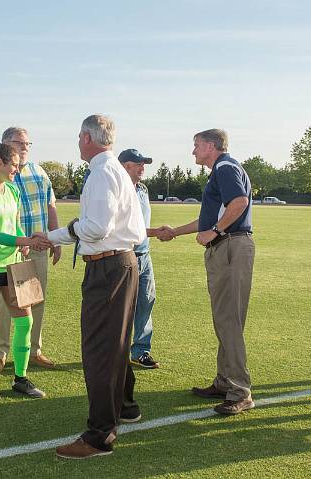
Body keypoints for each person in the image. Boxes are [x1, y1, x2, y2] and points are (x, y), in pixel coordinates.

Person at [49, 114, 146, 459]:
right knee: (114, 345)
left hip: (108, 266)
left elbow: (96, 227)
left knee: (100, 351)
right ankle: (125, 406)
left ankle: (99, 435)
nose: (77, 142)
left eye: (79, 137)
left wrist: (53, 237)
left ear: (88, 138)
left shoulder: (103, 172)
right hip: (119, 263)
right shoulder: (114, 170)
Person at [157, 129, 256, 416]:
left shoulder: (225, 167)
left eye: (197, 145)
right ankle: (225, 382)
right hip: (226, 246)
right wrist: (176, 232)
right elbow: (206, 219)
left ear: (211, 146)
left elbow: (239, 203)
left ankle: (240, 391)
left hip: (230, 247)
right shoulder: (221, 170)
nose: (193, 151)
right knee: (224, 318)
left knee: (229, 320)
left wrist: (215, 231)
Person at [0, 127, 61, 375]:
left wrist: (53, 239)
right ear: (3, 148)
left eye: (28, 143)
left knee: (31, 303)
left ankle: (33, 352)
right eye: (19, 143)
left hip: (31, 248)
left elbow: (49, 207)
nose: (25, 147)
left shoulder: (35, 175)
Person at [118, 148, 161, 369]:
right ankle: (116, 350)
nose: (143, 168)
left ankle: (141, 351)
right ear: (126, 166)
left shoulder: (143, 190)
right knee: (121, 307)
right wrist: (157, 232)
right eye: (139, 164)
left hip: (145, 255)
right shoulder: (118, 190)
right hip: (124, 256)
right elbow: (127, 228)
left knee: (146, 302)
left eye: (144, 164)